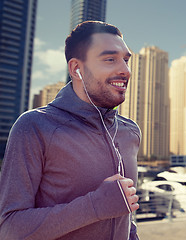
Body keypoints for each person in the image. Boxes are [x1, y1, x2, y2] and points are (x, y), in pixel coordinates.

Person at [0, 21, 141, 239]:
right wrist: (95, 206)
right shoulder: (34, 127)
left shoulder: (130, 131)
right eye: (110, 59)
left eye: (125, 60)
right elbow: (9, 229)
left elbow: (125, 218)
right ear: (77, 69)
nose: (125, 70)